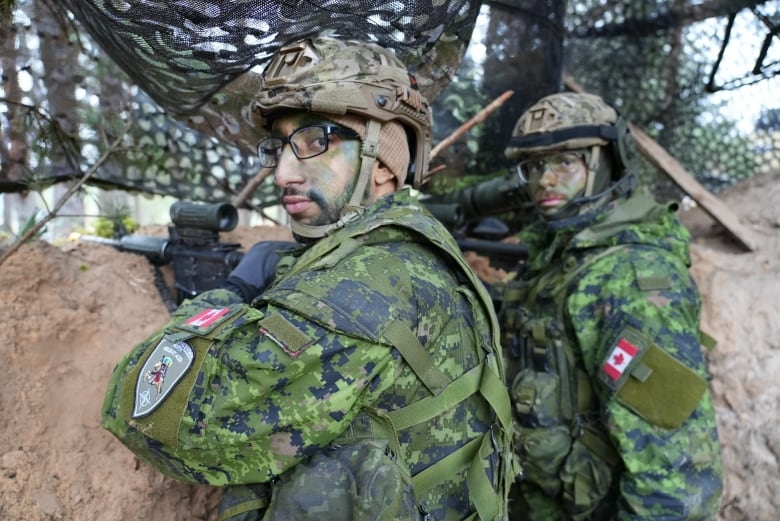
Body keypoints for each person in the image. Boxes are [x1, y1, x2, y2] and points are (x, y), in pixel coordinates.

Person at [100, 36, 514, 521]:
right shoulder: (417, 245)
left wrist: (226, 295)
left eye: (316, 141)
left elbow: (144, 413)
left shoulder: (364, 287)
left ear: (383, 161)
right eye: (279, 147)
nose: (283, 174)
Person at [497, 92, 723, 519]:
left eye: (566, 162)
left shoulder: (628, 279)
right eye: (535, 166)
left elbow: (677, 483)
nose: (546, 179)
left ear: (607, 163)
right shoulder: (560, 257)